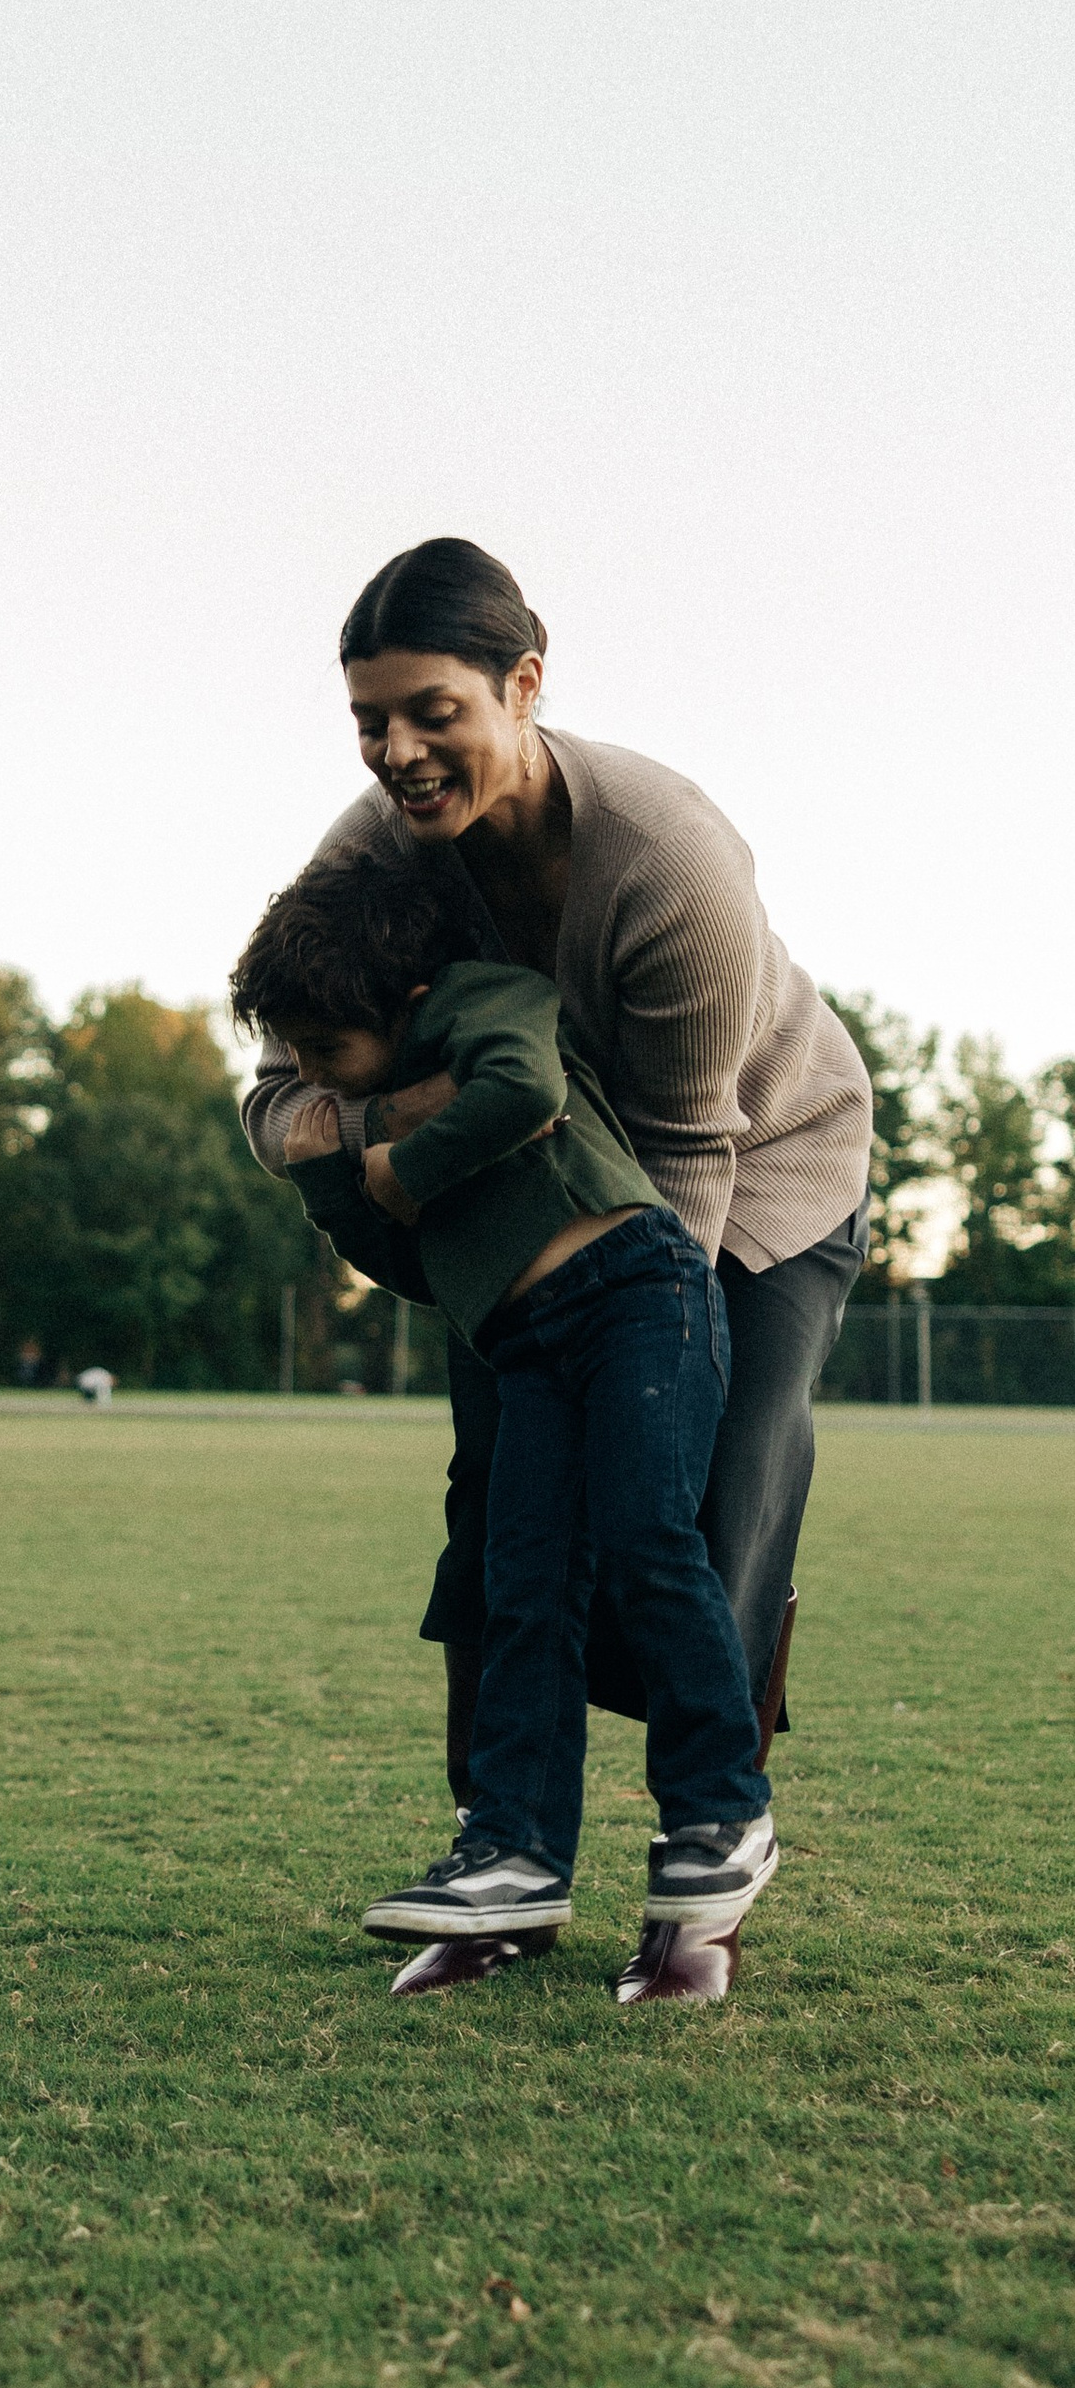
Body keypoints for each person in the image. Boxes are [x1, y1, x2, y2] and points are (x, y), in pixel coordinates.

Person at [242, 538, 870, 1998]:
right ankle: (505, 1860)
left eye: (434, 712)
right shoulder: (373, 852)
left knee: (683, 1503)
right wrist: (358, 1132)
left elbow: (687, 1151)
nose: (399, 752)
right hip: (518, 1206)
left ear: (525, 683)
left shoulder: (668, 859)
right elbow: (281, 1078)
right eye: (370, 721)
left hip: (746, 1174)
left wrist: (637, 1370)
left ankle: (701, 1878)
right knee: (503, 1520)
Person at [232, 847, 778, 1988]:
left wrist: (404, 1159)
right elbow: (397, 1248)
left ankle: (723, 1812)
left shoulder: (490, 1000)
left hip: (637, 1294)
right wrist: (338, 1172)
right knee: (518, 1587)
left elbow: (524, 1091)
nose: (314, 1081)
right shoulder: (362, 1103)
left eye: (328, 1053)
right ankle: (514, 1849)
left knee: (645, 1544)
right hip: (525, 1347)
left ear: (408, 1005)